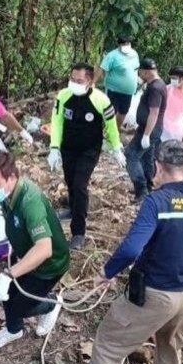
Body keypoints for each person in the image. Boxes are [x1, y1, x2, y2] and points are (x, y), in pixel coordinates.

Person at [86, 141, 183, 364]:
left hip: (155, 293)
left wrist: (106, 273)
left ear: (157, 165)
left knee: (106, 346)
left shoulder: (156, 202)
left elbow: (130, 249)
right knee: (170, 346)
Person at [0, 150, 70, 349]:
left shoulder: (30, 201)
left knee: (20, 305)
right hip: (25, 256)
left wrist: (9, 274)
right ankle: (13, 330)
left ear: (12, 177)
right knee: (8, 296)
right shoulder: (7, 194)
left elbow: (44, 249)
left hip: (48, 265)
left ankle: (51, 304)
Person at [48, 63, 127, 250]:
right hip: (68, 147)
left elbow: (111, 126)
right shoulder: (63, 96)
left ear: (90, 81)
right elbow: (57, 122)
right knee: (69, 180)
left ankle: (78, 232)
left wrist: (116, 148)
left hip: (89, 149)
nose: (74, 83)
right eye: (72, 79)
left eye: (79, 81)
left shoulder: (101, 100)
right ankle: (73, 209)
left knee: (80, 184)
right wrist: (53, 147)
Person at [126, 58, 167, 202]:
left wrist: (146, 135)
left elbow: (154, 112)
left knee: (131, 155)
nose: (139, 75)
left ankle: (141, 189)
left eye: (140, 72)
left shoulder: (155, 88)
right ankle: (149, 187)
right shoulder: (156, 84)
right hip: (150, 129)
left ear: (146, 72)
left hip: (149, 129)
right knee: (147, 158)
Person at [95, 36, 140, 128]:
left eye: (128, 44)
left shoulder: (134, 54)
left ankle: (116, 130)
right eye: (123, 44)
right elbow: (102, 68)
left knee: (124, 111)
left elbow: (136, 69)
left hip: (128, 91)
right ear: (119, 45)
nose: (126, 46)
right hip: (113, 89)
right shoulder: (112, 55)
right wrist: (93, 82)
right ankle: (104, 130)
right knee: (110, 112)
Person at [161, 67, 183, 142]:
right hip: (165, 127)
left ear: (182, 78)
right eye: (171, 78)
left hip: (179, 130)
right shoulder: (169, 88)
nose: (172, 81)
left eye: (174, 78)